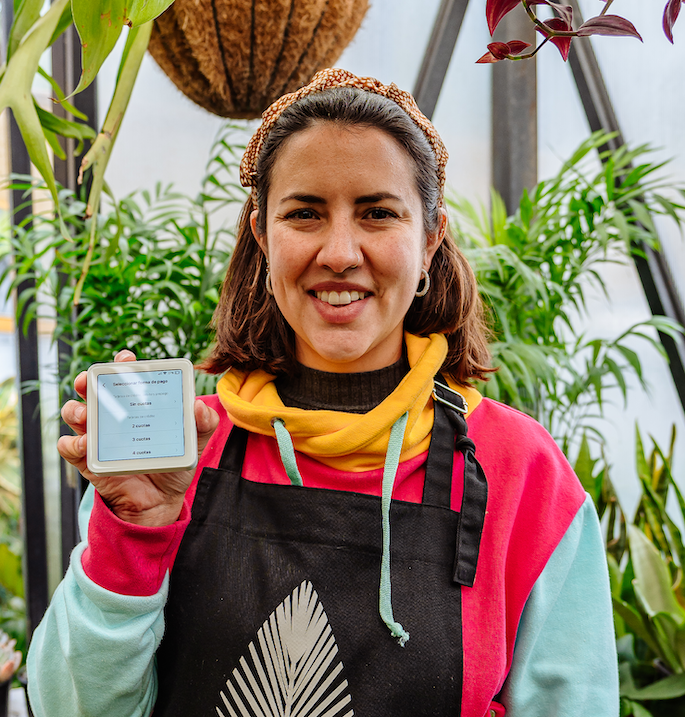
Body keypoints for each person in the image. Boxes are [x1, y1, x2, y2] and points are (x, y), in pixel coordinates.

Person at [27, 68, 619, 717]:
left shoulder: (520, 471)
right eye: (304, 212)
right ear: (262, 233)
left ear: (428, 239)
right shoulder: (177, 449)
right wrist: (135, 532)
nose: (339, 252)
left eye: (377, 213)